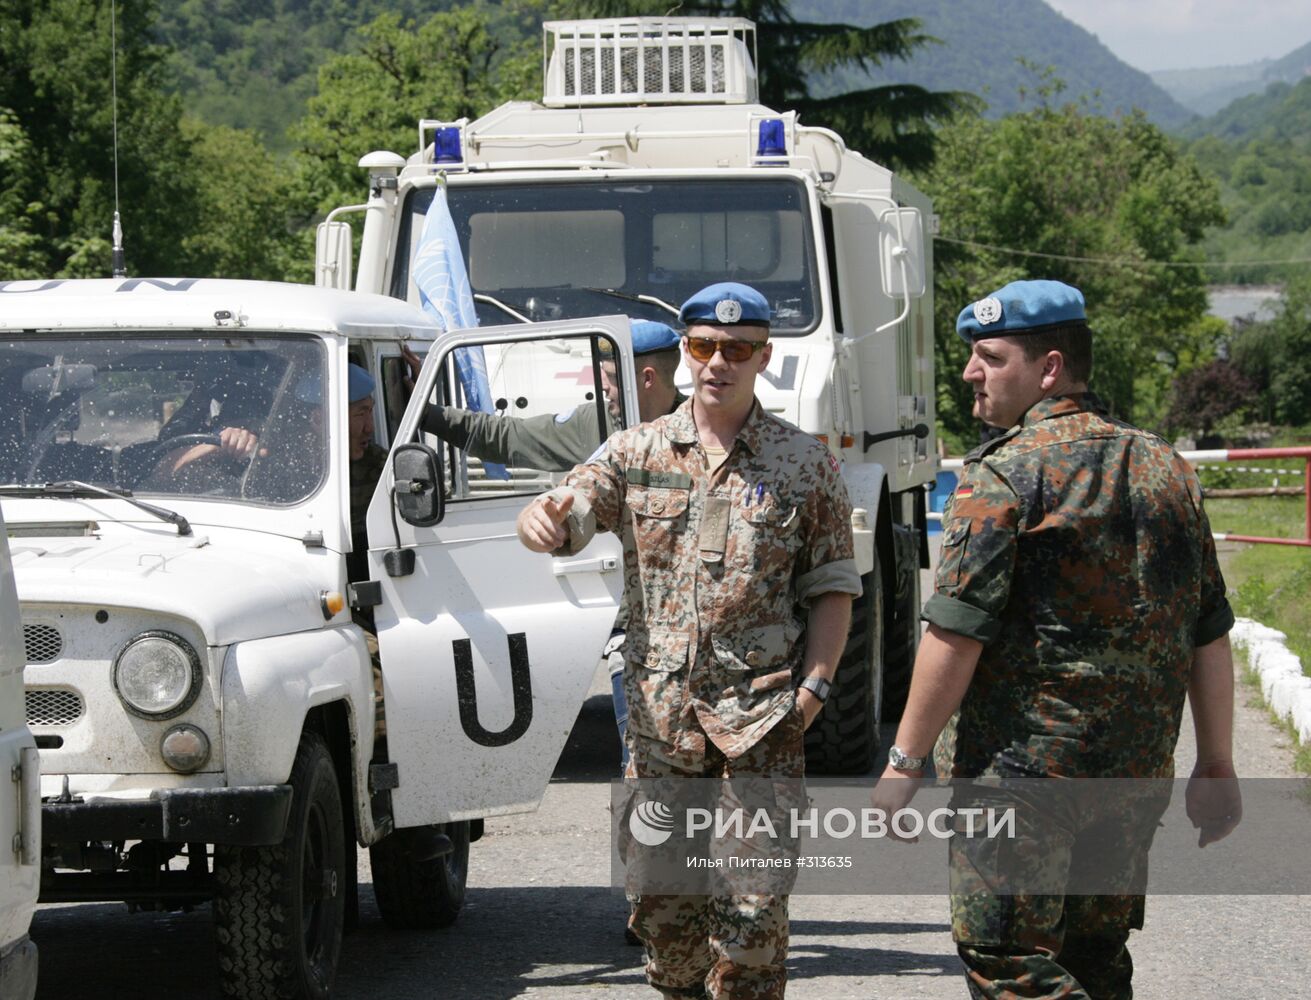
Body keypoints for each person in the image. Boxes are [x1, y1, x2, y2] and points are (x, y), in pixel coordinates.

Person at [870, 279, 1242, 999]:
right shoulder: (1168, 468)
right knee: (1094, 957)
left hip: (1025, 773)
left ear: (1047, 368)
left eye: (989, 357)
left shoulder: (1002, 475)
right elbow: (1209, 631)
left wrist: (903, 760)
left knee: (1004, 952)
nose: (970, 373)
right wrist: (1216, 761)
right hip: (1133, 772)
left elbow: (954, 632)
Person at [517, 282, 861, 999]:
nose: (717, 363)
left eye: (736, 350)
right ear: (684, 353)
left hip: (761, 725)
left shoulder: (804, 464)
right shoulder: (635, 451)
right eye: (703, 346)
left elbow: (830, 587)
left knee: (752, 923)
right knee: (662, 921)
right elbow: (571, 505)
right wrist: (544, 521)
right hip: (659, 730)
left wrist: (815, 688)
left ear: (763, 356)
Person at [421, 320, 686, 773]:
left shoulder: (706, 428)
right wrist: (425, 413)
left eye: (608, 380)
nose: (605, 392)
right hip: (638, 638)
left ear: (644, 376)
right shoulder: (599, 427)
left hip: (709, 641)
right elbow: (510, 439)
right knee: (647, 781)